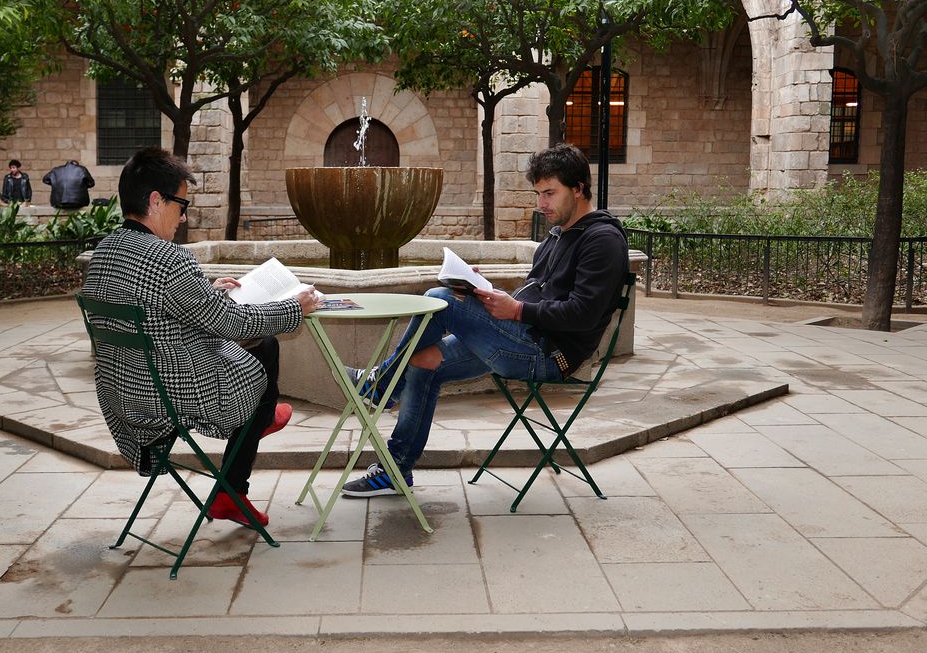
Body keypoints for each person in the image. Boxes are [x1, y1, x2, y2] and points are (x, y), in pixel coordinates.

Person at [341, 142, 630, 497]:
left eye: (550, 194)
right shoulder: (557, 235)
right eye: (538, 194)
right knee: (423, 359)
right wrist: (481, 290)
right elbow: (534, 294)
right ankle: (395, 470)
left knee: (438, 299)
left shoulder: (602, 240)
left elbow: (582, 314)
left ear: (579, 188)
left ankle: (382, 385)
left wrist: (518, 311)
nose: (541, 204)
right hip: (523, 335)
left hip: (549, 354)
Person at [81, 147, 321, 527]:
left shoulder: (105, 253)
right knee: (265, 348)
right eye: (181, 204)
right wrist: (294, 308)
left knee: (256, 358)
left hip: (124, 391)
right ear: (156, 201)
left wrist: (207, 291)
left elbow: (150, 303)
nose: (184, 215)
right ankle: (240, 466)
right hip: (169, 396)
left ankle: (250, 442)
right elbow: (234, 325)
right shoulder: (168, 258)